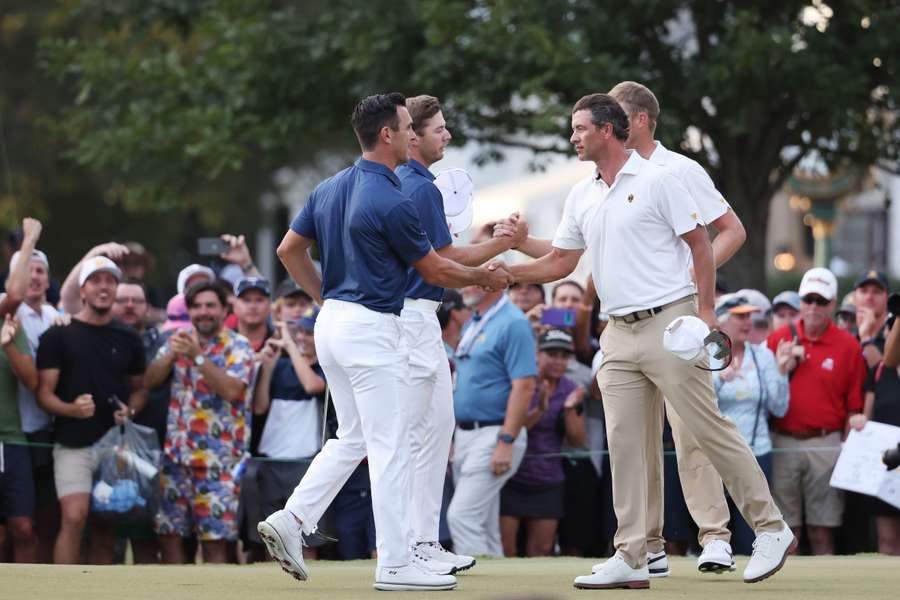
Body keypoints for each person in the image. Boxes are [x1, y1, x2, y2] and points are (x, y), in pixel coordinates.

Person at [507, 93, 793, 589]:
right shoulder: (583, 194)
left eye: (579, 128)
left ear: (609, 130)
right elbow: (560, 261)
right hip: (616, 332)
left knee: (706, 429)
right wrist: (506, 274)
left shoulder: (663, 179)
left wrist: (704, 314)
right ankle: (633, 554)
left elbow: (703, 243)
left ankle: (770, 528)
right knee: (624, 444)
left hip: (671, 322)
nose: (572, 137)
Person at [260, 92, 510, 591]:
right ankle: (396, 563)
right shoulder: (392, 197)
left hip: (333, 324)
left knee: (353, 437)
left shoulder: (329, 187)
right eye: (407, 128)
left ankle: (292, 519)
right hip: (372, 330)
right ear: (389, 135)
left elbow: (291, 251)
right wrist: (485, 278)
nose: (415, 136)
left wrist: (325, 299)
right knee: (390, 446)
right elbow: (435, 268)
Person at [397, 94, 527, 574]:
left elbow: (445, 256)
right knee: (416, 439)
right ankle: (410, 548)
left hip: (415, 318)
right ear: (413, 136)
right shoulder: (418, 186)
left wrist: (491, 249)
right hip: (410, 318)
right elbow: (443, 261)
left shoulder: (408, 183)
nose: (447, 135)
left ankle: (421, 544)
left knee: (429, 436)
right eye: (439, 129)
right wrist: (498, 249)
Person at [36, 256, 147, 564]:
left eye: (110, 281)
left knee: (105, 525)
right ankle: (62, 591)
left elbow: (140, 389)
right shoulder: (59, 334)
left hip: (115, 446)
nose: (104, 287)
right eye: (96, 280)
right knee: (74, 515)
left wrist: (130, 411)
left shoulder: (128, 337)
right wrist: (70, 409)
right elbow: (43, 394)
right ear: (82, 291)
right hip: (72, 442)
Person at [145, 281, 254, 564]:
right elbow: (150, 381)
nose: (203, 312)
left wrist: (197, 357)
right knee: (170, 536)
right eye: (196, 306)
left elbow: (232, 390)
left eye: (210, 306)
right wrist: (170, 355)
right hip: (175, 458)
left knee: (214, 542)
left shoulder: (238, 345)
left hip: (218, 462)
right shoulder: (177, 340)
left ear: (223, 309)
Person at [767, 267, 867, 555]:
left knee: (822, 529)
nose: (813, 307)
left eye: (820, 301)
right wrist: (780, 367)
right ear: (800, 301)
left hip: (826, 442)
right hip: (783, 441)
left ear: (832, 304)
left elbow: (855, 404)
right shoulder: (779, 338)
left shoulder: (848, 346)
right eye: (808, 299)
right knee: (788, 530)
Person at [447, 285, 537, 557]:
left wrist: (506, 441)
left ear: (494, 283)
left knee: (461, 516)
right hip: (467, 435)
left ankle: (478, 585)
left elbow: (524, 385)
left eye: (474, 274)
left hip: (495, 432)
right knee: (484, 523)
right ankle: (497, 583)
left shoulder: (513, 322)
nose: (465, 281)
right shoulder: (475, 321)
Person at [712, 294, 791, 555]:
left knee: (750, 533)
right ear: (722, 320)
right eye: (740, 316)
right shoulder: (712, 350)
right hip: (717, 456)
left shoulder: (763, 354)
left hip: (757, 452)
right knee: (716, 528)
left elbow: (779, 407)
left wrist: (780, 373)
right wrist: (721, 379)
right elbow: (697, 404)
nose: (748, 322)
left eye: (750, 316)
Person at [500, 329, 585, 557]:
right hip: (512, 476)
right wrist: (541, 408)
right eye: (552, 353)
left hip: (548, 480)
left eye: (564, 355)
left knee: (543, 550)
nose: (559, 361)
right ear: (537, 353)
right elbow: (516, 428)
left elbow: (578, 441)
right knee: (506, 549)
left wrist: (568, 410)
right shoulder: (523, 383)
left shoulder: (570, 389)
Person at [5, 219, 59, 562]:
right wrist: (29, 240)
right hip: (12, 432)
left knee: (33, 522)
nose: (34, 277)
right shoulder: (7, 307)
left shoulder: (57, 315)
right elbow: (13, 294)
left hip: (39, 432)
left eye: (41, 271)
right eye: (28, 270)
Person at [254, 310, 326, 558]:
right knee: (269, 535)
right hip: (272, 459)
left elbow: (312, 385)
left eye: (310, 332)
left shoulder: (325, 366)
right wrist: (267, 369)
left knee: (306, 540)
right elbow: (260, 407)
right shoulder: (281, 366)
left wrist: (290, 346)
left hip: (305, 460)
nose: (304, 338)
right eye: (301, 332)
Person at [110, 277, 168, 563]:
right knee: (104, 532)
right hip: (104, 445)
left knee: (147, 531)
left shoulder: (164, 342)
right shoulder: (97, 334)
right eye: (122, 300)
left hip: (153, 447)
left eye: (137, 301)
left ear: (148, 308)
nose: (130, 306)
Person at [849, 315, 900, 555]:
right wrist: (859, 422)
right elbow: (866, 418)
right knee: (887, 539)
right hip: (887, 464)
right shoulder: (879, 373)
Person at [0, 312, 39, 562]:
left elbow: (32, 382)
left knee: (23, 527)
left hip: (11, 439)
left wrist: (8, 344)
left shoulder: (7, 316)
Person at [854, 270, 890, 368]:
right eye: (864, 291)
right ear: (854, 297)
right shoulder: (846, 338)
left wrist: (865, 337)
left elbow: (884, 378)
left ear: (887, 299)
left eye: (877, 292)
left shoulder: (895, 339)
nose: (869, 297)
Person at [231, 277, 273, 352]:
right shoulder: (222, 344)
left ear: (270, 305)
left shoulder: (280, 344)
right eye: (246, 300)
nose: (252, 306)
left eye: (259, 300)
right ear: (234, 306)